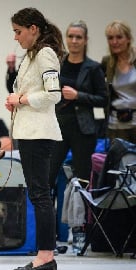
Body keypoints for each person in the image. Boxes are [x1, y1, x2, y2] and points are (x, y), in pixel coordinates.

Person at [5, 7, 65, 270]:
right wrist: (16, 100)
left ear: (33, 29)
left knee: (40, 195)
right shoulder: (31, 56)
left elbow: (54, 94)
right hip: (29, 132)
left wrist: (22, 99)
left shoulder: (45, 54)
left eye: (18, 32)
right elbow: (29, 90)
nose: (16, 37)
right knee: (38, 194)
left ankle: (45, 256)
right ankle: (45, 255)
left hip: (40, 134)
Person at [49, 20, 108, 189]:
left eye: (78, 37)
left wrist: (78, 96)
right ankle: (49, 215)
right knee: (49, 175)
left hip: (83, 130)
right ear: (66, 38)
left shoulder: (94, 68)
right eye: (71, 36)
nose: (74, 41)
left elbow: (103, 99)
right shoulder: (57, 64)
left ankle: (82, 215)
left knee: (83, 178)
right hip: (58, 126)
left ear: (85, 40)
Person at [102, 20, 136, 144]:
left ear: (128, 38)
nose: (114, 42)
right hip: (116, 125)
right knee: (120, 162)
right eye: (110, 38)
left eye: (119, 37)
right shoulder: (107, 63)